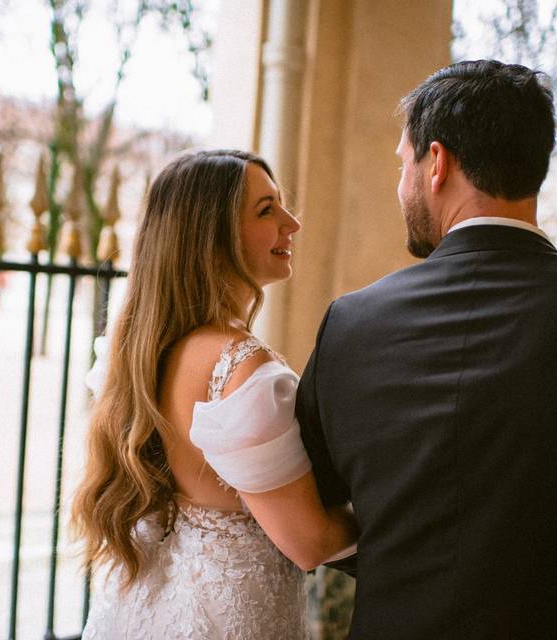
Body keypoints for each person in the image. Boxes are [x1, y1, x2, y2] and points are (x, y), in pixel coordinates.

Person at [297, 59, 557, 639]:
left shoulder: (351, 323)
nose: (400, 184)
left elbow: (313, 505)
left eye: (403, 163)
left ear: (437, 163)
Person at [73, 149, 357, 639]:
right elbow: (309, 543)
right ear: (211, 235)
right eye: (267, 211)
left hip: (146, 608)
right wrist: (399, 517)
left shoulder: (142, 351)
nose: (291, 224)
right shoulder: (240, 370)